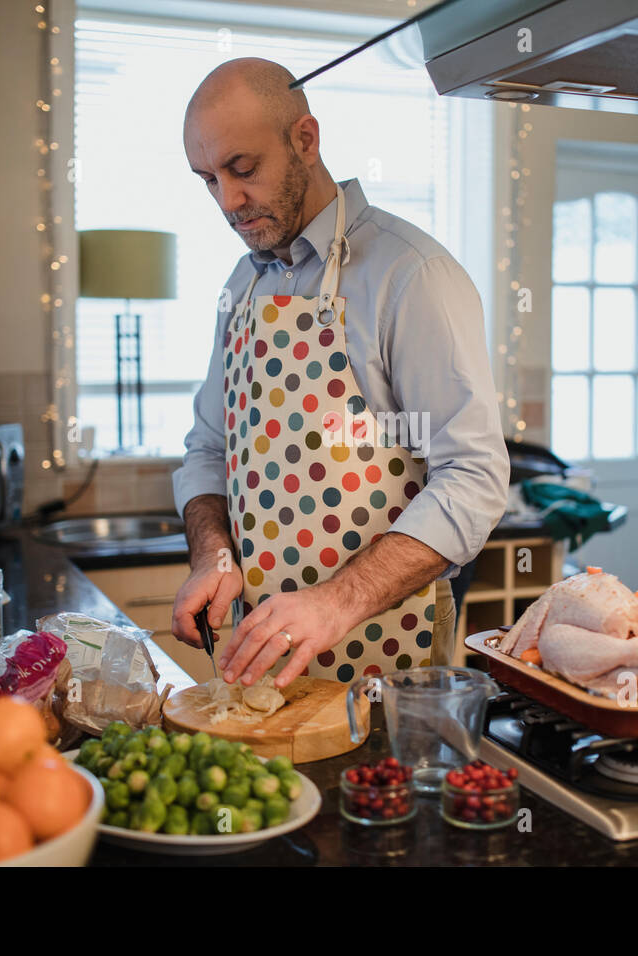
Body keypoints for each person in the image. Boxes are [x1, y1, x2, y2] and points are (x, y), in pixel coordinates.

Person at [171, 57, 507, 689]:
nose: (229, 201)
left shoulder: (411, 275)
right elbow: (209, 448)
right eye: (207, 180)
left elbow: (475, 476)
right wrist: (212, 555)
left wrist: (336, 603)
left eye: (243, 170)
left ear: (305, 139)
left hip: (385, 658)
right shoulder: (243, 285)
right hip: (259, 659)